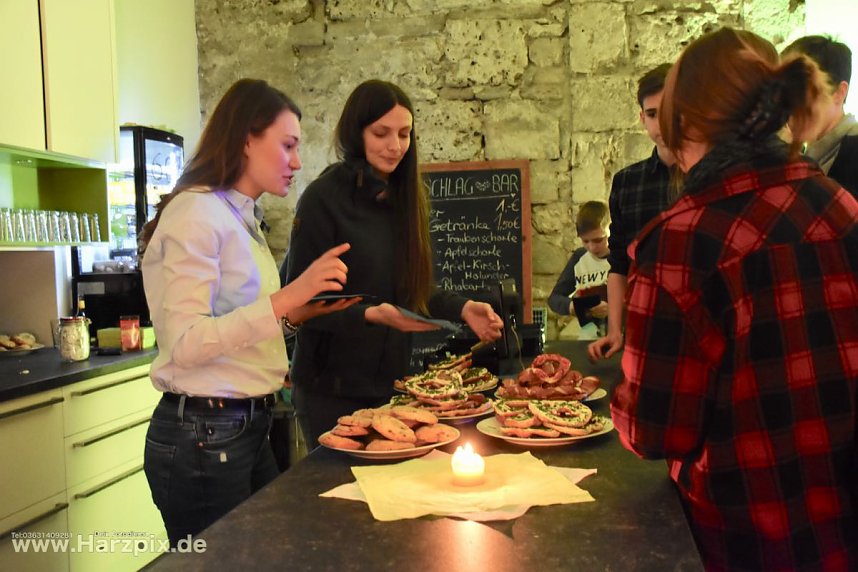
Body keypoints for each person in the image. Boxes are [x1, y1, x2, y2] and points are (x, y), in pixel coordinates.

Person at [610, 27, 858, 570]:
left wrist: (618, 403)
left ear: (685, 123)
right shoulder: (839, 206)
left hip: (745, 536)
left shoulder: (679, 239)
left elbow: (657, 428)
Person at [138, 78, 357, 546]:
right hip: (205, 437)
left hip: (240, 429)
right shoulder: (196, 214)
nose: (298, 162)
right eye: (288, 145)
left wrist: (298, 313)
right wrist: (286, 298)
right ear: (246, 139)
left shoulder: (238, 216)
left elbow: (239, 322)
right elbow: (186, 342)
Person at [285, 79, 504, 445]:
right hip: (329, 390)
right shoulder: (322, 199)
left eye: (404, 134)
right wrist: (371, 314)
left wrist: (463, 307)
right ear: (356, 133)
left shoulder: (406, 198)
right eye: (381, 133)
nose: (395, 146)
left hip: (393, 385)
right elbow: (302, 305)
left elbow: (411, 288)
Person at [587, 63, 677, 361]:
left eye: (669, 111)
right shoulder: (627, 182)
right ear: (642, 118)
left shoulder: (710, 176)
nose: (661, 124)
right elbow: (619, 264)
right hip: (644, 326)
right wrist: (615, 330)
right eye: (652, 114)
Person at [782, 35, 858, 197]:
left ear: (839, 92)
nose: (790, 107)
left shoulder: (853, 150)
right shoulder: (807, 151)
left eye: (803, 93)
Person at [547, 200, 610, 339]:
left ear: (610, 229)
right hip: (588, 339)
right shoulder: (580, 257)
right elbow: (554, 298)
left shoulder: (624, 257)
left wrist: (614, 309)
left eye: (598, 240)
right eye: (585, 241)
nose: (592, 247)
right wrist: (572, 306)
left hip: (620, 340)